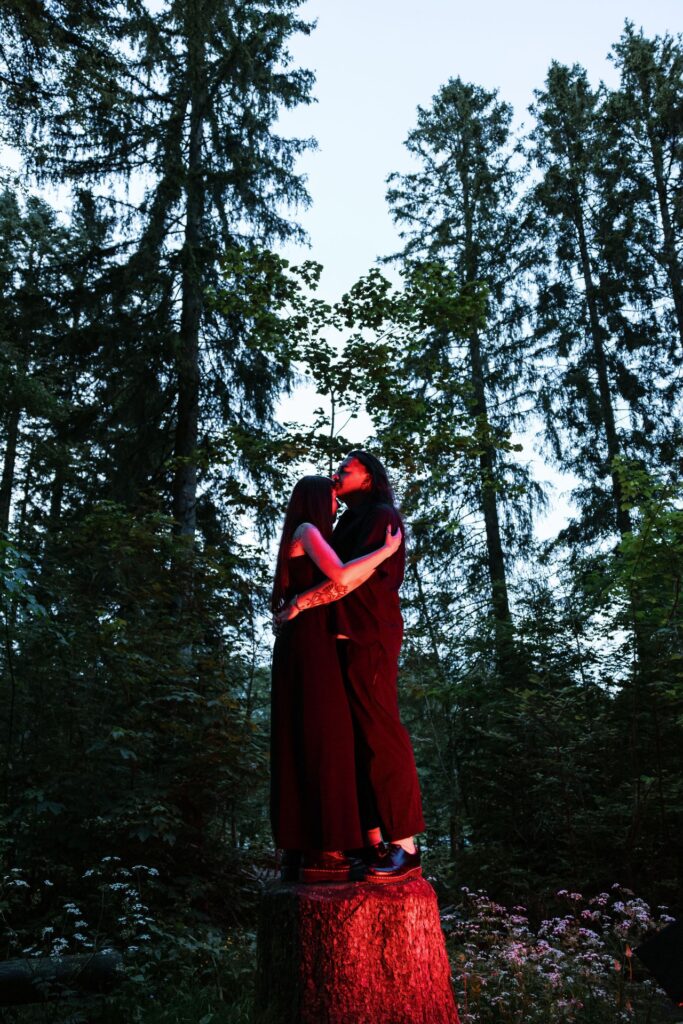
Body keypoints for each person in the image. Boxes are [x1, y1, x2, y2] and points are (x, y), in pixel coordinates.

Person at [277, 451, 425, 883]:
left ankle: (405, 845)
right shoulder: (341, 523)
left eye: (347, 469)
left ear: (370, 476)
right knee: (354, 742)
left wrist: (303, 602)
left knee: (381, 733)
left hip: (369, 637)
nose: (337, 474)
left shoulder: (381, 516)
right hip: (340, 640)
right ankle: (371, 838)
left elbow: (346, 579)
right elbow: (328, 574)